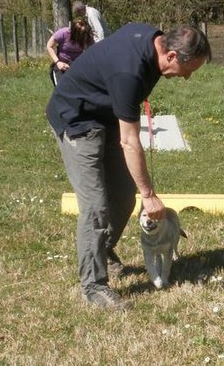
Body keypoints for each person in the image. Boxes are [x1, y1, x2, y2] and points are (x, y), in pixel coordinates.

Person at [46, 23, 211, 310]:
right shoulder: (129, 72)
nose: (187, 77)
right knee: (96, 207)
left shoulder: (153, 39)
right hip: (77, 119)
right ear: (171, 55)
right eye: (188, 70)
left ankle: (103, 249)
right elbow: (130, 142)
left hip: (107, 115)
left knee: (123, 197)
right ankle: (94, 286)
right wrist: (149, 195)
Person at [46, 18, 94, 86]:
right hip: (61, 64)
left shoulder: (87, 36)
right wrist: (58, 62)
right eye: (81, 34)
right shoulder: (63, 33)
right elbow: (49, 46)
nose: (83, 36)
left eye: (84, 33)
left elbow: (93, 50)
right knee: (61, 88)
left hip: (77, 65)